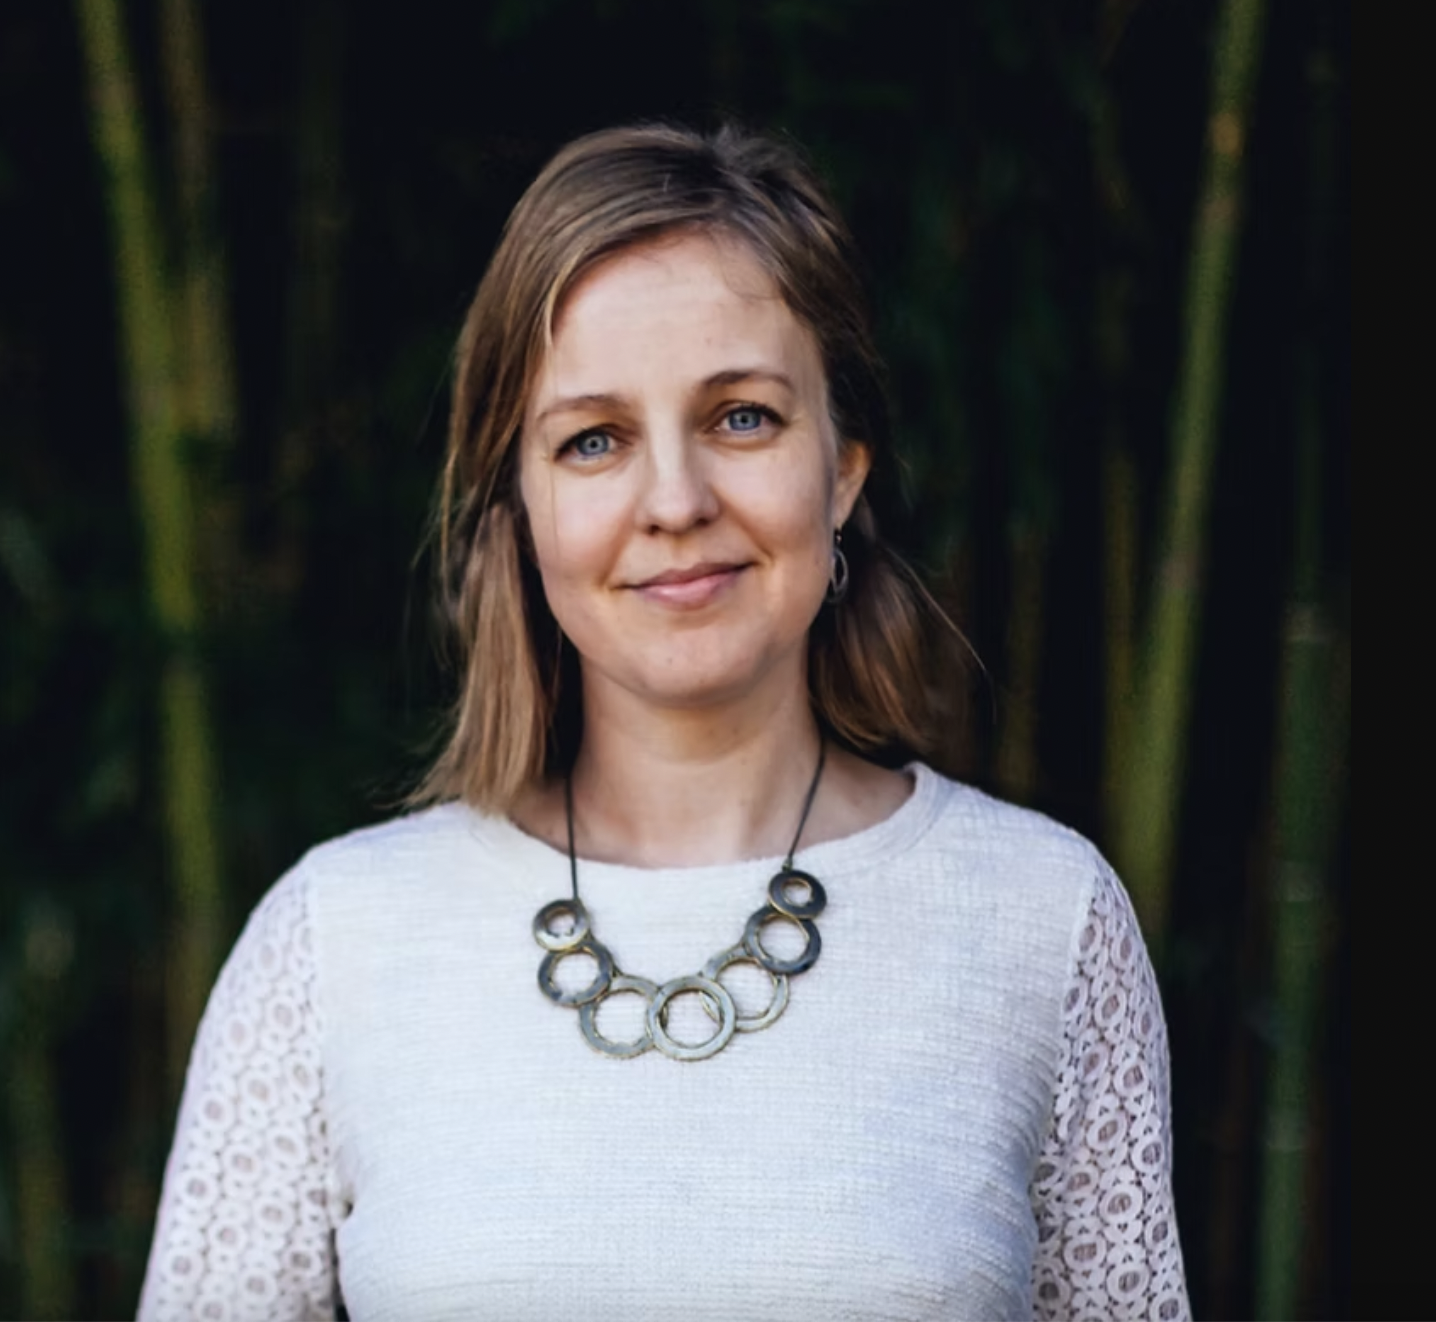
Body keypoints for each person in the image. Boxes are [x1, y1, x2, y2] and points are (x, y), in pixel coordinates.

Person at [138, 123, 1189, 1321]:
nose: (676, 501)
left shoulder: (1041, 921)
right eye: (593, 441)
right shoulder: (330, 946)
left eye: (741, 416)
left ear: (842, 467)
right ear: (518, 506)